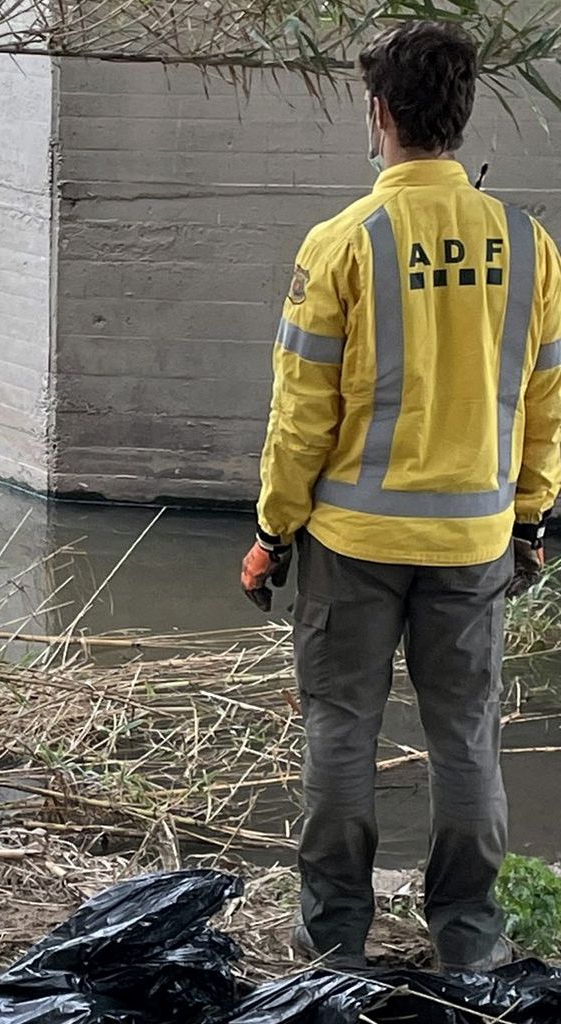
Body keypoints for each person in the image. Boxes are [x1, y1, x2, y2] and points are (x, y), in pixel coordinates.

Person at [241, 22, 561, 974]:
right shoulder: (529, 246)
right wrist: (534, 517)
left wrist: (272, 529)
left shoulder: (342, 245)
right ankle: (467, 938)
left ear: (377, 114)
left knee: (341, 727)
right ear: (462, 116)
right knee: (467, 737)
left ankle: (333, 934)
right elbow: (546, 400)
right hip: (474, 543)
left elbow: (300, 416)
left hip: (352, 543)